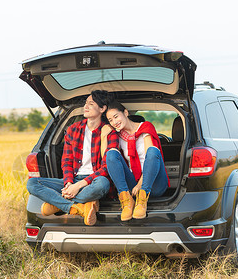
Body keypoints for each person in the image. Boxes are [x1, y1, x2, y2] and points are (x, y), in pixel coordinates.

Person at [26, 90, 119, 226]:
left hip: (93, 181)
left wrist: (78, 186)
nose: (85, 106)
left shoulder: (108, 131)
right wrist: (69, 183)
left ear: (102, 108)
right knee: (32, 184)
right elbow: (67, 161)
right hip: (73, 179)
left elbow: (106, 167)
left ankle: (58, 204)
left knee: (103, 184)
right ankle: (76, 207)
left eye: (91, 103)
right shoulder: (73, 130)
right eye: (86, 103)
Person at [104, 101, 169, 221]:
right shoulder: (118, 136)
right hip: (133, 185)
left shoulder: (145, 127)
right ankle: (127, 201)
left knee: (153, 151)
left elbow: (152, 156)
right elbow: (108, 160)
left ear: (125, 113)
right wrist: (104, 134)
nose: (114, 122)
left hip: (154, 183)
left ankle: (142, 201)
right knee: (111, 153)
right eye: (110, 120)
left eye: (116, 116)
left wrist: (140, 185)